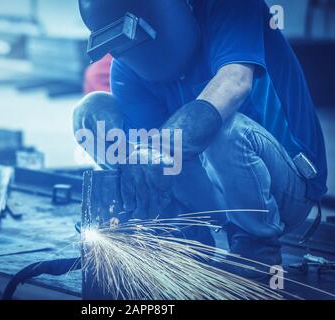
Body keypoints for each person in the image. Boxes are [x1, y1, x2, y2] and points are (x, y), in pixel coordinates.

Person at [73, 0, 328, 276]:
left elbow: (235, 81)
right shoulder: (127, 68)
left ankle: (256, 250)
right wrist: (141, 167)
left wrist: (159, 148)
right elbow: (149, 159)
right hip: (215, 193)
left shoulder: (231, 9)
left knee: (221, 126)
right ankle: (185, 236)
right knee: (91, 112)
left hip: (286, 191)